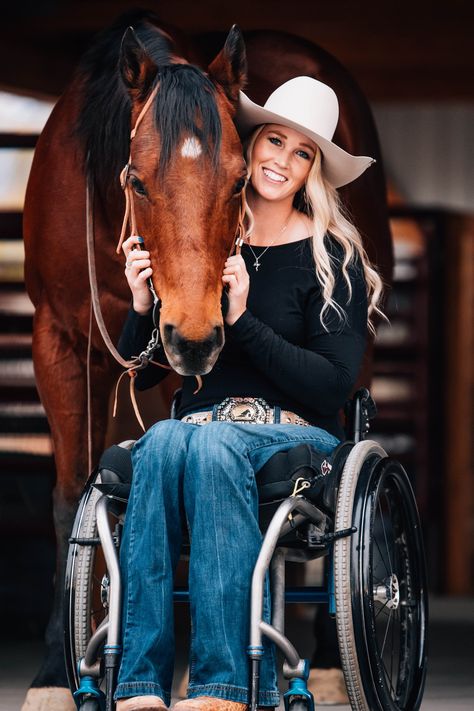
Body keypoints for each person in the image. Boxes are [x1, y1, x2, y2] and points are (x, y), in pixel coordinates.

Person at [114, 76, 384, 711]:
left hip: (296, 438)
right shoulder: (205, 243)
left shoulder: (332, 255)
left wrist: (243, 322)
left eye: (303, 152)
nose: (281, 161)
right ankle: (140, 687)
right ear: (247, 145)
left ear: (314, 170)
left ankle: (222, 687)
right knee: (160, 440)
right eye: (274, 140)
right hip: (203, 431)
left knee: (209, 447)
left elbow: (331, 384)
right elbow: (146, 370)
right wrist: (141, 303)